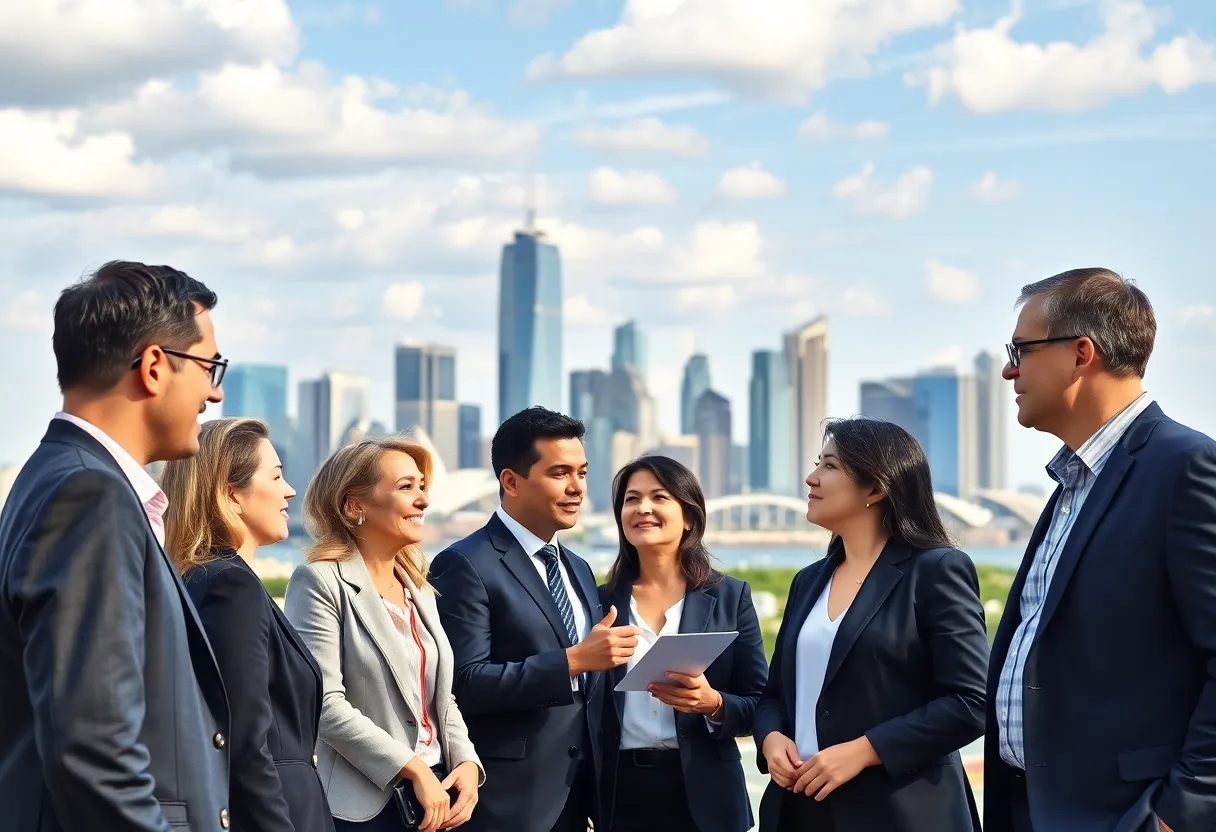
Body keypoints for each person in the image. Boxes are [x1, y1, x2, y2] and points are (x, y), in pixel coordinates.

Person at [0, 260, 232, 831]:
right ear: (154, 366)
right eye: (209, 366)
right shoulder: (90, 496)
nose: (216, 391)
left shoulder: (54, 477)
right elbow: (94, 752)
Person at [985, 268, 1216, 832]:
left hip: (1123, 816)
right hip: (1030, 809)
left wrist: (1177, 816)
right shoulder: (1073, 484)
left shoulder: (1184, 468)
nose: (1009, 369)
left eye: (1021, 349)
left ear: (1081, 353)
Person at [754, 417, 988, 832]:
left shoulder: (935, 571)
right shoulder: (808, 581)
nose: (811, 478)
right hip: (800, 811)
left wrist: (864, 751)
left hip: (900, 813)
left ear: (876, 487)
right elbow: (774, 695)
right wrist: (771, 739)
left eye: (829, 466)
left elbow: (972, 701)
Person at [429, 407, 640, 832]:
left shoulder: (577, 567)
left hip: (580, 798)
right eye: (560, 473)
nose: (577, 488)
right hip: (504, 803)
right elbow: (463, 684)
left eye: (581, 473)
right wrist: (573, 661)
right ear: (511, 481)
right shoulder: (464, 564)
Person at [286, 437, 483, 832]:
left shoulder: (420, 589)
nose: (423, 500)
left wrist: (466, 761)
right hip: (363, 807)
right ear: (355, 505)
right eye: (406, 487)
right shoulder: (320, 582)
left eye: (422, 486)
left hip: (438, 796)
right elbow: (322, 704)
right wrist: (411, 769)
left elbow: (439, 698)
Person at [162, 418, 335, 832]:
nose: (290, 490)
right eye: (276, 476)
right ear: (231, 494)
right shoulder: (231, 586)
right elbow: (244, 741)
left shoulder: (201, 579)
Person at [598, 455, 768, 832]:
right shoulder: (596, 603)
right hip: (618, 795)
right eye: (631, 499)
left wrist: (714, 704)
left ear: (689, 516)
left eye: (659, 497)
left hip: (709, 797)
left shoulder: (730, 597)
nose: (643, 508)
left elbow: (762, 703)